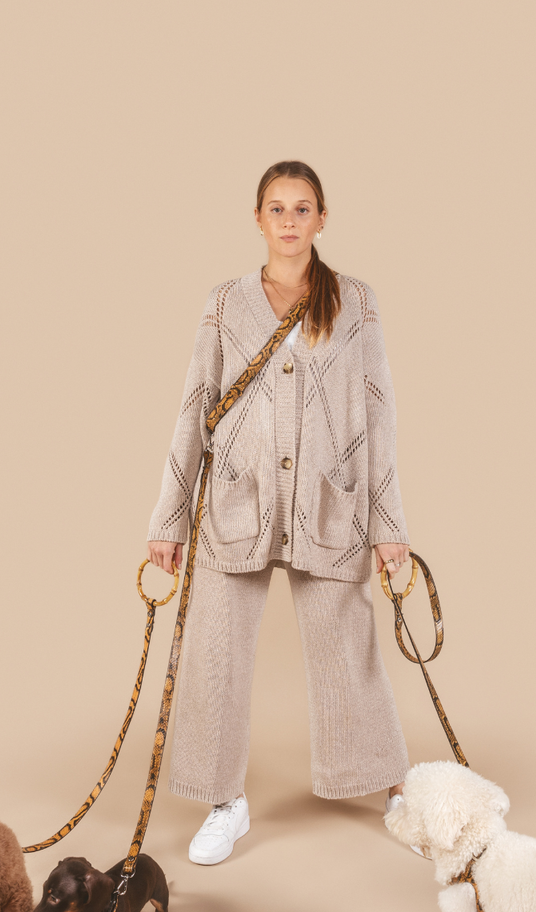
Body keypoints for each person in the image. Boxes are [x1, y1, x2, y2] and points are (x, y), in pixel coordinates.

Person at [146, 160, 411, 865]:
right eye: (277, 208)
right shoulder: (225, 302)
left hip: (331, 503)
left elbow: (377, 418)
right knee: (215, 657)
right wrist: (169, 520)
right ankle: (224, 803)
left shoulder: (355, 301)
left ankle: (397, 792)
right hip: (237, 500)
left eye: (303, 208)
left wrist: (388, 528)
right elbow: (193, 407)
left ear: (322, 219)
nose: (290, 221)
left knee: (350, 651)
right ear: (257, 220)